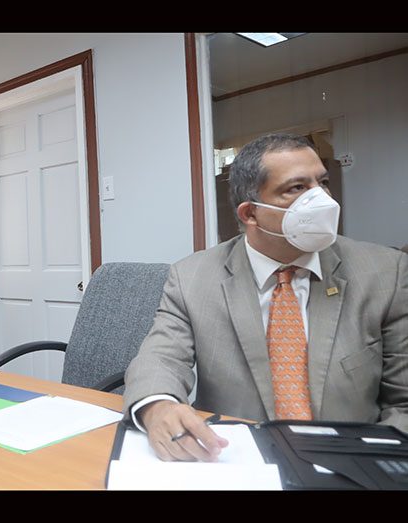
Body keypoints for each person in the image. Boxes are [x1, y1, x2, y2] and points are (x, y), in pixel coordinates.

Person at [123, 133, 408, 462]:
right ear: (250, 214)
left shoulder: (387, 272)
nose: (324, 201)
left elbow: (403, 402)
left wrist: (377, 465)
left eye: (323, 182)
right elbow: (160, 359)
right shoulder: (192, 278)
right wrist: (157, 406)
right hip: (236, 462)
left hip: (354, 462)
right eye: (297, 188)